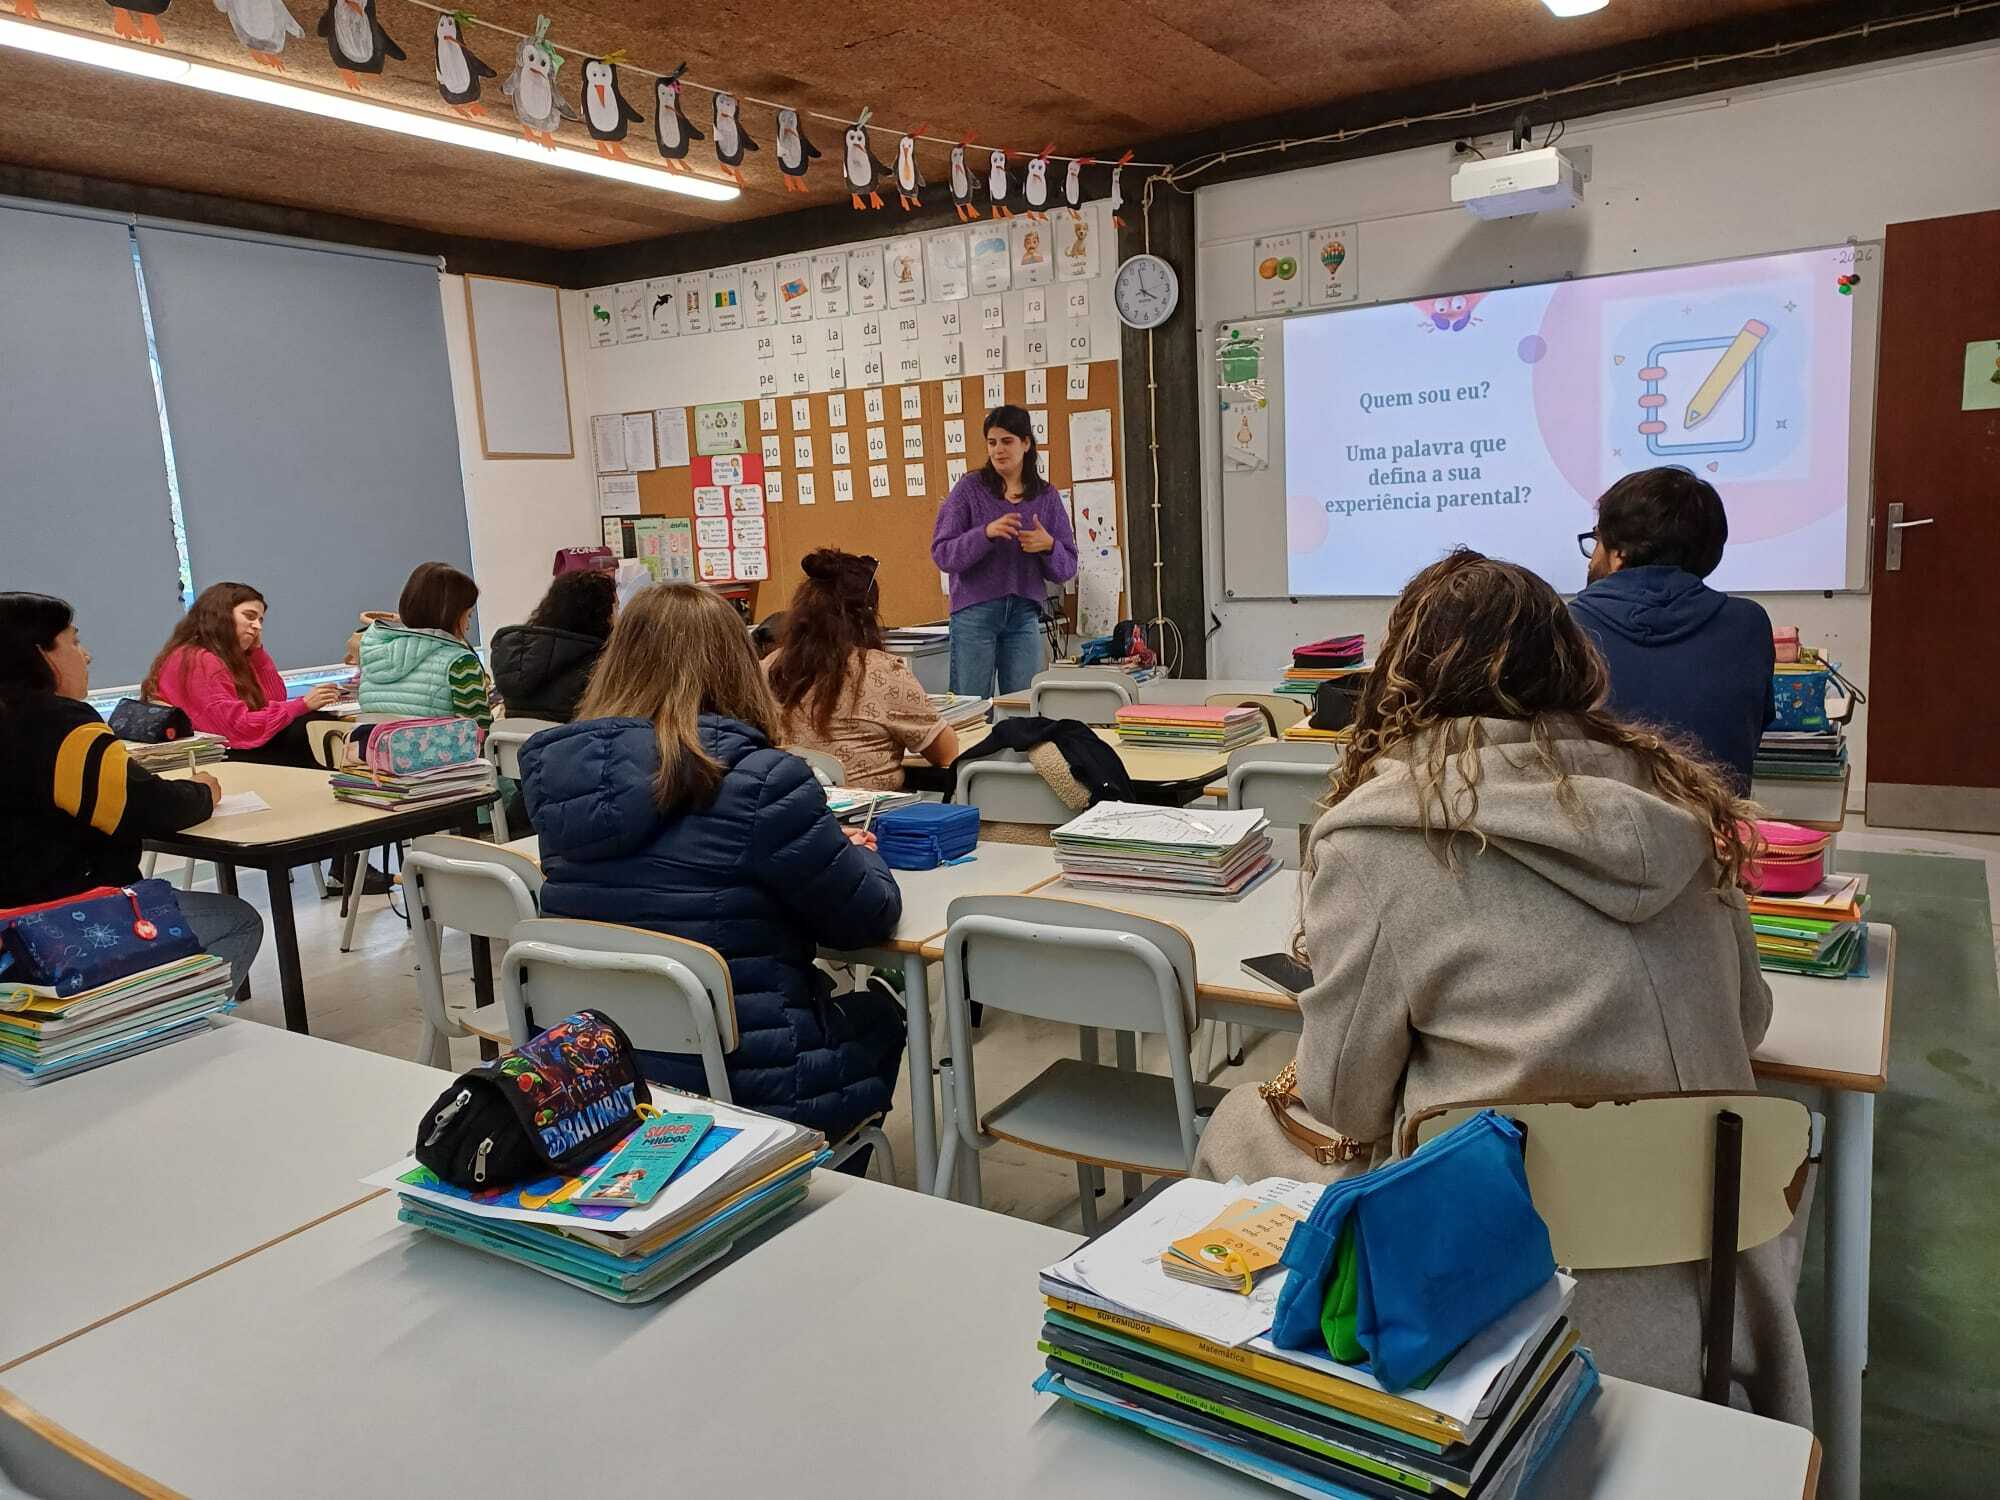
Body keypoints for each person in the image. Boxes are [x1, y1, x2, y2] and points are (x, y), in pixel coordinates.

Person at [1192, 550, 1808, 1426]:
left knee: (1238, 1121)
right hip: (1707, 1266)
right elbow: (1749, 1020)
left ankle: (1247, 1410)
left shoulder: (1377, 838)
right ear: (1574, 665)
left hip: (1482, 1274)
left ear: (1402, 676)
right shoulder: (1683, 804)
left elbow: (1347, 1102)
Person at [520, 583, 907, 1151]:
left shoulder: (556, 783)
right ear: (738, 666)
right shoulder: (765, 784)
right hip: (748, 1090)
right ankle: (816, 1188)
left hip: (598, 1078)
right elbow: (868, 917)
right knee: (880, 1011)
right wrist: (857, 853)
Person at [1, 593, 264, 992]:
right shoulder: (57, 724)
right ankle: (156, 1028)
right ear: (41, 654)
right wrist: (203, 793)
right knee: (237, 921)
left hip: (14, 912)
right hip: (56, 918)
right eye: (73, 641)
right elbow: (144, 808)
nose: (85, 655)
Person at [1571, 466, 1775, 791]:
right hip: (1714, 832)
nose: (1591, 556)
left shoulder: (1564, 627)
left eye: (1597, 539)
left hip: (1596, 836)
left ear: (1619, 553)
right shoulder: (1749, 624)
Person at [764, 550, 958, 792]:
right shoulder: (883, 672)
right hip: (870, 820)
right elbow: (946, 754)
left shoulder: (768, 668)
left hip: (790, 815)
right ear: (865, 615)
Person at [930, 404, 1077, 697]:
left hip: (1024, 614)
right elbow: (942, 553)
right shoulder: (970, 489)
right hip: (974, 613)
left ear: (1026, 443)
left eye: (1007, 441)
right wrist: (985, 534)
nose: (998, 450)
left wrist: (1048, 547)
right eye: (992, 442)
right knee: (969, 706)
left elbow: (1067, 567)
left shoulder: (1046, 496)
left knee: (1024, 706)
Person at [145, 582, 343, 767]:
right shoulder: (199, 659)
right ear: (220, 615)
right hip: (220, 756)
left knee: (306, 722)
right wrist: (303, 704)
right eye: (250, 616)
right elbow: (235, 728)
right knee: (305, 725)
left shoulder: (220, 656)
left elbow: (273, 700)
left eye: (260, 620)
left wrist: (257, 652)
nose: (258, 626)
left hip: (230, 748)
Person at [357, 562, 493, 726]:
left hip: (377, 751)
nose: (468, 626)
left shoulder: (373, 658)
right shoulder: (461, 663)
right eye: (468, 616)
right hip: (443, 752)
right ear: (451, 614)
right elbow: (480, 731)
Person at [490, 568, 616, 723]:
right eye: (614, 608)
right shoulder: (598, 666)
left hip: (520, 747)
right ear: (600, 615)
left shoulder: (514, 659)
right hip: (572, 745)